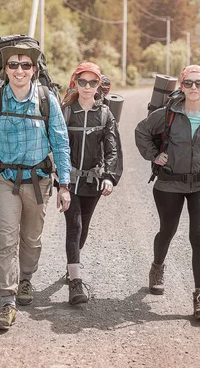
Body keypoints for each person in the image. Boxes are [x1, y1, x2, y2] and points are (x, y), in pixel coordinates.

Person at [0, 43, 72, 330]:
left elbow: (61, 143)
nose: (19, 70)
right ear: (5, 69)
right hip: (4, 180)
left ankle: (26, 278)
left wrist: (64, 184)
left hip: (38, 181)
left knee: (31, 238)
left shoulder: (46, 99)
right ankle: (7, 300)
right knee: (5, 239)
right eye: (13, 65)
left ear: (34, 69)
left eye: (25, 65)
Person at [134, 65, 200, 321]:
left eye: (198, 83)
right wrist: (155, 156)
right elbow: (141, 132)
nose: (193, 88)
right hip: (169, 182)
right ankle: (157, 267)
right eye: (188, 83)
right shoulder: (167, 112)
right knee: (168, 230)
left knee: (199, 237)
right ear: (181, 85)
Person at [60, 62, 122, 305]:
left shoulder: (105, 114)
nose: (87, 87)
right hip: (69, 180)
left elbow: (112, 148)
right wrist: (61, 182)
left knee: (83, 228)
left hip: (94, 182)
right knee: (74, 226)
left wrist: (108, 176)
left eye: (92, 82)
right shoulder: (65, 112)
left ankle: (70, 266)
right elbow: (58, 145)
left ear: (99, 85)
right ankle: (75, 283)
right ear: (75, 82)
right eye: (82, 82)